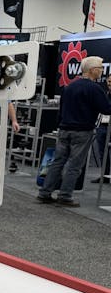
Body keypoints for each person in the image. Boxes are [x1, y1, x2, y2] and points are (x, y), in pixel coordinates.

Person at [37, 56, 111, 207]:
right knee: (74, 165)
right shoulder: (95, 89)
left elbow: (61, 109)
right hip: (82, 131)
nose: (102, 71)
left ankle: (45, 192)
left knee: (57, 162)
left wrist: (60, 125)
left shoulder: (69, 86)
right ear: (92, 70)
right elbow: (106, 109)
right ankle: (65, 195)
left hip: (64, 129)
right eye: (100, 68)